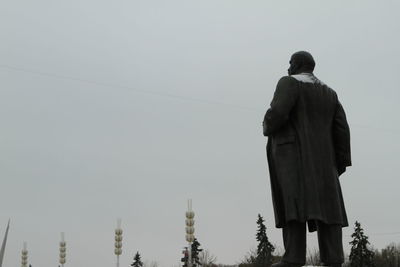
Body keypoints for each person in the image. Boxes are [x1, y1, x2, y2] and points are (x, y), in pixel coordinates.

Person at [263, 51, 351, 267]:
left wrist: (266, 125)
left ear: (298, 64)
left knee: (293, 206)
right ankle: (334, 258)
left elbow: (277, 113)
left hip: (293, 159)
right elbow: (342, 130)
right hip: (325, 163)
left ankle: (293, 258)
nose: (288, 67)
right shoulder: (329, 93)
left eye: (290, 63)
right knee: (329, 209)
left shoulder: (289, 83)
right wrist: (338, 163)